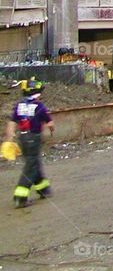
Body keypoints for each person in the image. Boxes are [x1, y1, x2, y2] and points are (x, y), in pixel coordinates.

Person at [5, 80, 54, 208]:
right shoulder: (40, 106)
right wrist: (51, 132)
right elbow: (50, 124)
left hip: (22, 138)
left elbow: (12, 123)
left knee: (33, 162)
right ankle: (20, 197)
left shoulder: (19, 105)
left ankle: (43, 189)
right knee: (31, 166)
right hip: (33, 137)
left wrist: (9, 140)